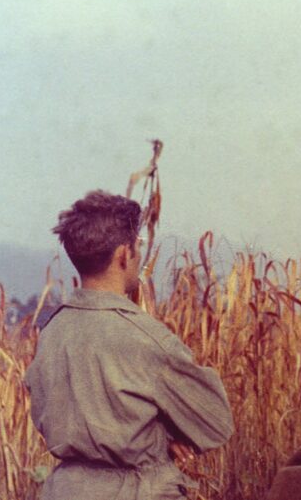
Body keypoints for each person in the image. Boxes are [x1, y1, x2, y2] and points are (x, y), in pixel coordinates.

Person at [25, 190, 234, 500]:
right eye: (138, 246)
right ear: (124, 254)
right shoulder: (144, 337)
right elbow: (215, 422)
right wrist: (163, 439)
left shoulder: (52, 331)